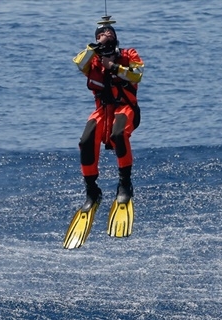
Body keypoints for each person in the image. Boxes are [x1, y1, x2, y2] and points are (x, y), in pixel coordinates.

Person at [73, 16, 144, 209]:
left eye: (110, 33)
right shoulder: (92, 61)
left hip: (125, 107)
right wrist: (96, 46)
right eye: (102, 34)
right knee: (86, 141)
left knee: (119, 134)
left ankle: (125, 185)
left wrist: (113, 67)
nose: (107, 34)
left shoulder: (129, 55)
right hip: (102, 111)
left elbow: (138, 74)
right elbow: (79, 63)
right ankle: (92, 190)